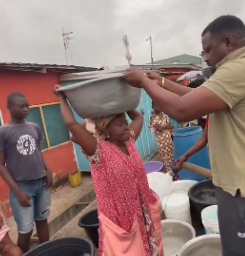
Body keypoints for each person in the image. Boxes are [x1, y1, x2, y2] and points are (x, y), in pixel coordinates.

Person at [124, 15, 245, 256]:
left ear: (229, 42)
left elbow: (182, 110)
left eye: (209, 50)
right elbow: (194, 97)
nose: (206, 57)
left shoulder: (240, 69)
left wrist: (144, 84)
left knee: (238, 250)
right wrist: (164, 83)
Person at [53, 85, 163, 256]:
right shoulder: (98, 150)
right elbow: (70, 123)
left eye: (126, 123)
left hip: (141, 212)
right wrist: (61, 97)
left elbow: (139, 118)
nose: (126, 126)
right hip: (120, 219)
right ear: (107, 129)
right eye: (120, 124)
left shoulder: (129, 142)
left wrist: (123, 101)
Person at [0, 93, 52, 253]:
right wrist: (17, 192)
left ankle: (48, 251)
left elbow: (38, 151)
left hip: (41, 183)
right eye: (21, 106)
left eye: (27, 106)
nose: (25, 109)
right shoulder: (3, 132)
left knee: (43, 221)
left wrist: (48, 169)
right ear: (9, 107)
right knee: (26, 229)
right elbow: (1, 165)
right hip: (22, 187)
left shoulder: (34, 127)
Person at [150, 102, 174, 172]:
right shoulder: (153, 117)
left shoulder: (164, 115)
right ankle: (169, 174)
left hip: (169, 140)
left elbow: (172, 125)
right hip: (161, 143)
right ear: (153, 107)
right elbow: (159, 129)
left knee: (172, 157)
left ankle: (173, 173)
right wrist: (166, 126)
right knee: (165, 159)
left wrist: (163, 126)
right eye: (156, 105)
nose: (159, 107)